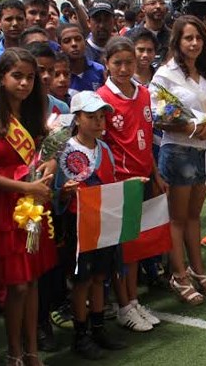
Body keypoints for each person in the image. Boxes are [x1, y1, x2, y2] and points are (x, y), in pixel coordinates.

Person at [0, 48, 56, 366]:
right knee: (16, 285)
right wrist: (27, 187)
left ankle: (32, 350)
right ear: (2, 77)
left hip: (33, 203)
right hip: (6, 207)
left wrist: (49, 166)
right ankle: (13, 352)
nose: (24, 83)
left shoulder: (34, 111)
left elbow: (46, 150)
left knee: (32, 280)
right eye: (17, 76)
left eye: (30, 77)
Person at [150, 15, 206, 305]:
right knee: (177, 218)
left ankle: (198, 270)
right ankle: (178, 275)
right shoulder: (165, 75)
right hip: (179, 150)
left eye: (198, 38)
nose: (194, 43)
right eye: (188, 38)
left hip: (205, 150)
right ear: (177, 42)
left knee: (194, 216)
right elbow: (159, 116)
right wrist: (192, 128)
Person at [95, 37, 164, 331]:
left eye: (129, 62)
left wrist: (156, 175)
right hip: (121, 184)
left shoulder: (145, 94)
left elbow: (146, 142)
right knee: (122, 249)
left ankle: (133, 300)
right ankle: (123, 305)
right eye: (117, 63)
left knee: (136, 246)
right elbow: (100, 145)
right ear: (107, 65)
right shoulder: (101, 97)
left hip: (145, 178)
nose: (124, 68)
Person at [54, 91, 127, 360]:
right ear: (77, 119)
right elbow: (56, 192)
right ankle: (80, 335)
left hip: (103, 221)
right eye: (91, 117)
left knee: (99, 277)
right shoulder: (66, 151)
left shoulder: (104, 149)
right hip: (78, 223)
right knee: (82, 281)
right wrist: (64, 192)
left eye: (101, 117)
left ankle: (98, 329)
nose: (98, 122)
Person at [57, 23, 105, 94]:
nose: (74, 44)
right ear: (60, 48)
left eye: (78, 39)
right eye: (67, 41)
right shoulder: (58, 76)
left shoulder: (99, 70)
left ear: (85, 43)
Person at [125, 0, 171, 64]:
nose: (158, 6)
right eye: (153, 3)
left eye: (162, 3)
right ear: (143, 8)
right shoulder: (129, 36)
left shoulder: (173, 37)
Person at [26, 42, 70, 116]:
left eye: (51, 70)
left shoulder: (62, 108)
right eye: (40, 70)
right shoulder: (15, 107)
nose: (47, 76)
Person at [0, 0, 27, 76]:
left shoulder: (34, 52)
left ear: (25, 22)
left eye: (19, 19)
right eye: (9, 19)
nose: (15, 24)